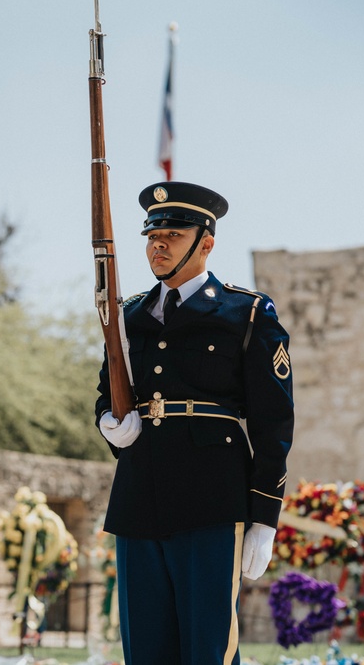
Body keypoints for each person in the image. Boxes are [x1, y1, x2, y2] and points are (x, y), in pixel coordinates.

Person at [95, 181, 293, 664]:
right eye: (151, 235)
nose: (157, 244)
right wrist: (109, 423)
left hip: (212, 498)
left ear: (206, 242)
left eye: (173, 235)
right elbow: (107, 391)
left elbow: (274, 421)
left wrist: (265, 516)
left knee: (208, 648)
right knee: (145, 649)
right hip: (139, 495)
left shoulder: (245, 313)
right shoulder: (128, 315)